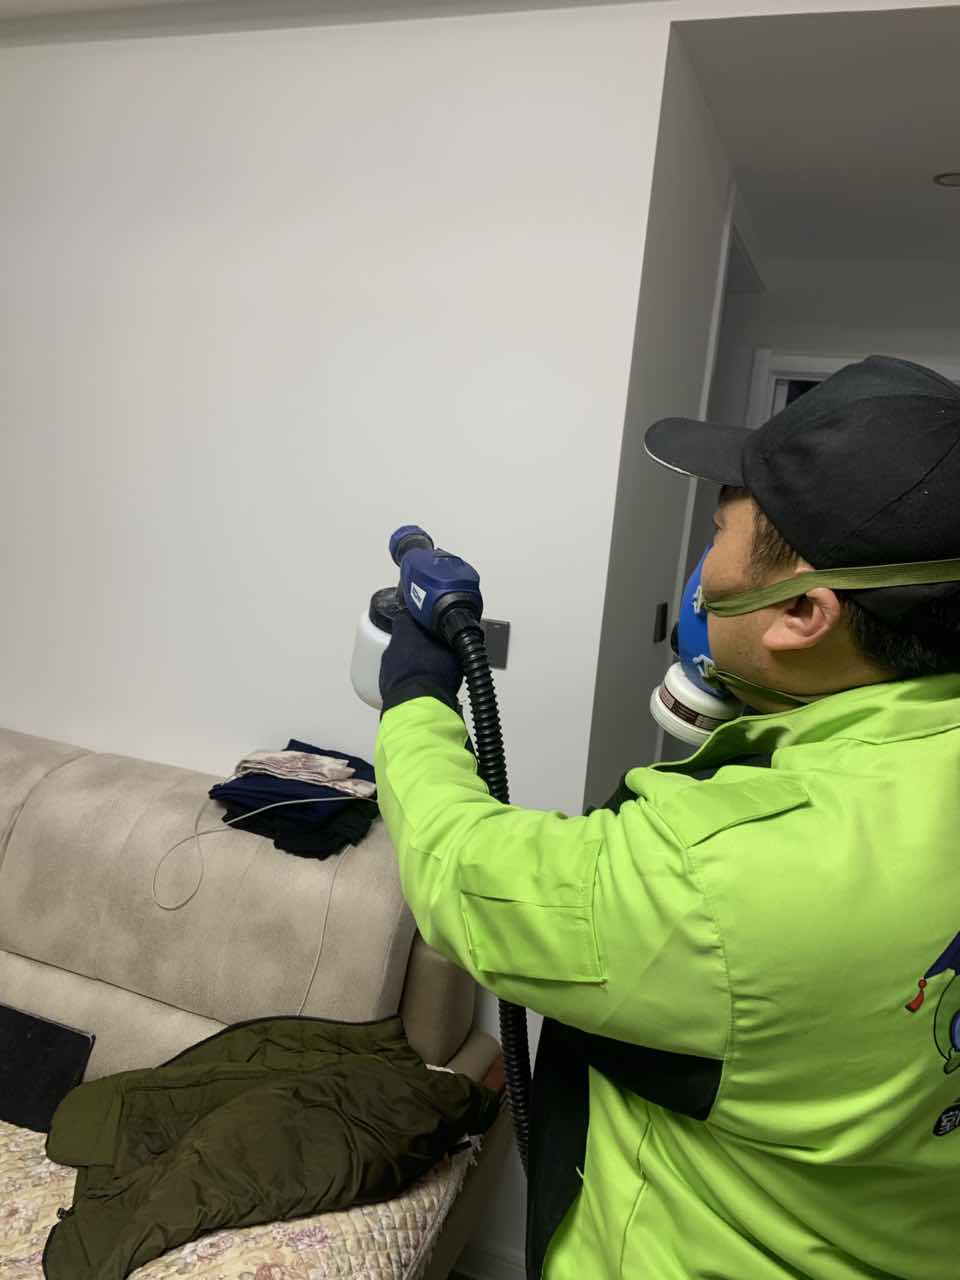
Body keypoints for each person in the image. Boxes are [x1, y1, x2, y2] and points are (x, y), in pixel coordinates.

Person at [374, 355, 960, 1279]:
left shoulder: (721, 870)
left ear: (803, 612)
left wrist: (414, 695)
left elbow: (462, 868)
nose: (703, 570)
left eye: (720, 532)